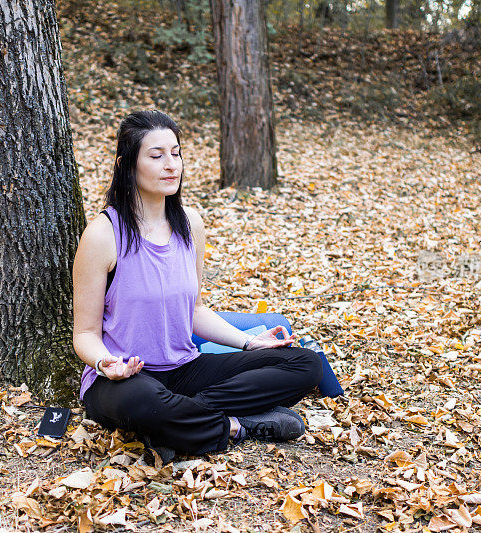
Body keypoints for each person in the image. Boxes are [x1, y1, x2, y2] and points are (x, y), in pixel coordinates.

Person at [72, 110, 322, 456]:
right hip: (124, 380)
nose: (171, 165)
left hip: (185, 369)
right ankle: (235, 425)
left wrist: (250, 344)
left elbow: (195, 310)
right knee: (144, 399)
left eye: (176, 153)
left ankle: (175, 420)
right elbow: (84, 334)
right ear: (126, 165)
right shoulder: (103, 235)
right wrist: (106, 364)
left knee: (304, 364)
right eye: (156, 156)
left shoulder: (190, 224)